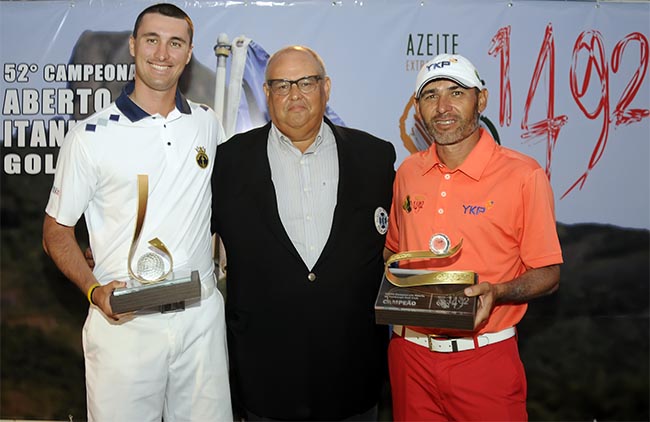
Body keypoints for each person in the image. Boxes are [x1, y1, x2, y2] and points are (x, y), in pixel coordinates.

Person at [42, 4, 232, 421]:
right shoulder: (89, 136)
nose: (162, 53)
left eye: (175, 43)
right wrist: (95, 291)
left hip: (200, 325)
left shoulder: (206, 125)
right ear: (133, 46)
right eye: (152, 40)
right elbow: (56, 231)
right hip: (123, 327)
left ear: (188, 53)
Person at [212, 45, 396, 420]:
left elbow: (404, 243)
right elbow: (187, 231)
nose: (294, 94)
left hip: (354, 378)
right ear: (266, 94)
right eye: (281, 85)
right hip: (265, 380)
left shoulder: (375, 157)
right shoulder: (228, 161)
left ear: (326, 87)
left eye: (306, 82)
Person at [384, 53, 563, 421]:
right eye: (430, 96)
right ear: (417, 109)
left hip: (484, 358)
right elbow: (393, 253)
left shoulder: (524, 175)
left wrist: (497, 292)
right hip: (410, 355)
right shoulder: (408, 171)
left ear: (481, 99)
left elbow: (548, 274)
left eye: (456, 92)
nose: (443, 107)